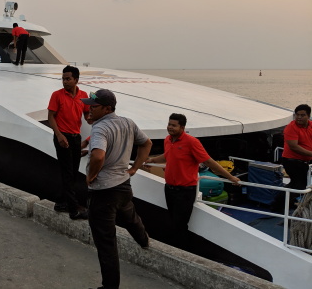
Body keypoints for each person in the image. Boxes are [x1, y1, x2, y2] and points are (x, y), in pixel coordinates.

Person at [82, 89, 152, 289]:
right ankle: (144, 240)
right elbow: (146, 143)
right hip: (123, 185)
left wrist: (91, 176)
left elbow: (98, 156)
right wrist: (135, 168)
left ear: (107, 108)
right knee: (129, 215)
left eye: (94, 106)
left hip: (103, 192)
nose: (89, 109)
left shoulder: (99, 128)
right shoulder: (127, 122)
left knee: (106, 244)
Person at [146, 113, 240, 250]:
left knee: (180, 224)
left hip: (185, 191)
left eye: (174, 125)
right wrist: (153, 160)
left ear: (182, 127)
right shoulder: (167, 140)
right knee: (172, 219)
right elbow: (167, 155)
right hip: (169, 188)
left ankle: (181, 250)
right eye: (169, 124)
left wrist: (230, 177)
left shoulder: (192, 142)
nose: (170, 128)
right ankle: (175, 248)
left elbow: (208, 161)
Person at [48, 65, 90, 219]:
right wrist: (59, 135)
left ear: (76, 80)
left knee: (72, 172)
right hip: (62, 136)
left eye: (68, 79)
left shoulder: (84, 95)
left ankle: (61, 203)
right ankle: (74, 209)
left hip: (75, 137)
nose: (64, 81)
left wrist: (97, 116)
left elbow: (87, 115)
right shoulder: (57, 95)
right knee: (67, 172)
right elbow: (51, 117)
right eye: (63, 79)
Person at [274, 104, 312, 209]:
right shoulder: (291, 128)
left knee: (300, 184)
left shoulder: (311, 125)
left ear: (308, 116)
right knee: (298, 185)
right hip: (292, 161)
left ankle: (288, 203)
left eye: (302, 115)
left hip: (305, 161)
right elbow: (294, 147)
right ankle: (277, 205)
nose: (299, 117)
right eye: (297, 115)